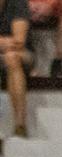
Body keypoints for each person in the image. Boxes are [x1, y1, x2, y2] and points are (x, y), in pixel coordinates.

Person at [0, 0, 30, 139]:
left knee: (12, 57)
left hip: (22, 53)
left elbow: (18, 42)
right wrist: (4, 41)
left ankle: (20, 125)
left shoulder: (17, 3)